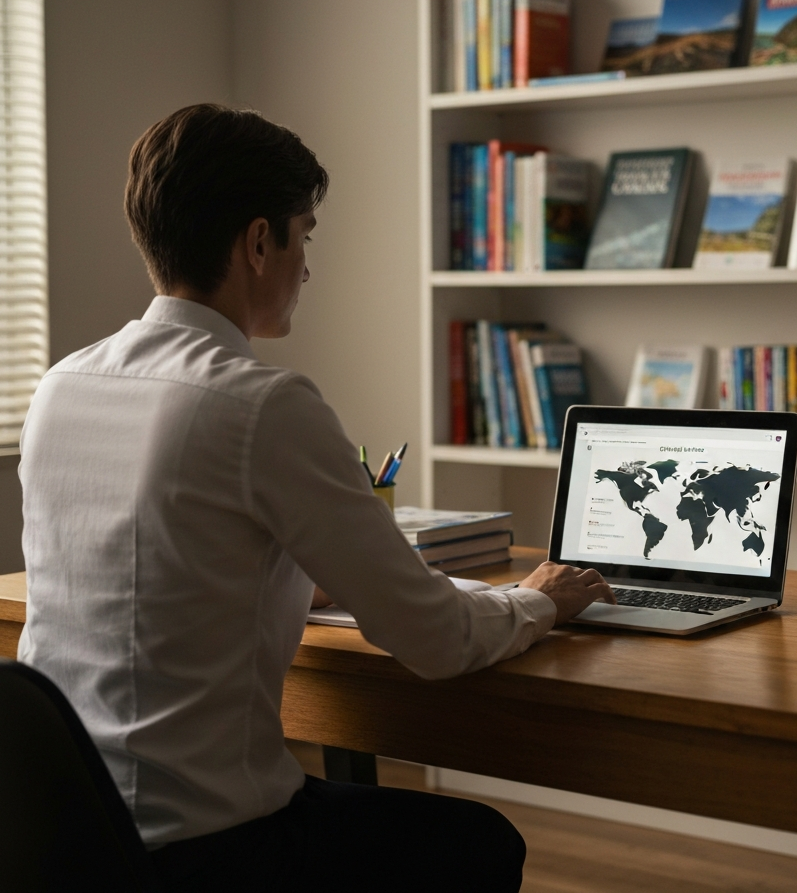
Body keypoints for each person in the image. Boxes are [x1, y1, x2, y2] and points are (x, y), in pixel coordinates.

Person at [17, 104, 614, 893]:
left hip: (62, 837)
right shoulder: (259, 403)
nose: (307, 266)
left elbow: (165, 564)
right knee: (479, 841)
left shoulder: (61, 385)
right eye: (305, 235)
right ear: (259, 242)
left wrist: (301, 574)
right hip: (205, 852)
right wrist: (538, 600)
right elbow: (432, 639)